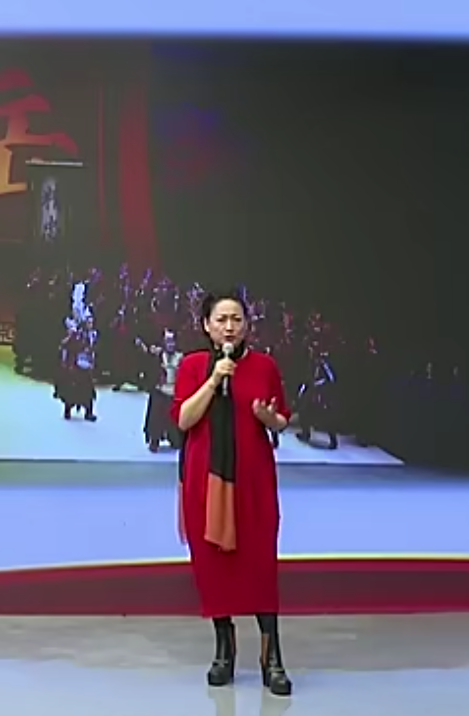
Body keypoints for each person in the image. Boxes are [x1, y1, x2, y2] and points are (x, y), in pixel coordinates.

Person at [171, 290, 293, 696]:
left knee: (260, 562)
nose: (229, 327)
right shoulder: (192, 366)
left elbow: (281, 420)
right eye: (221, 319)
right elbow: (184, 419)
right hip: (206, 480)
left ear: (247, 325)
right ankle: (224, 649)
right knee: (213, 565)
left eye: (236, 319)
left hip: (253, 479)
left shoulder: (264, 366)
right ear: (206, 325)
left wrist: (267, 417)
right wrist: (213, 380)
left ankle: (272, 656)